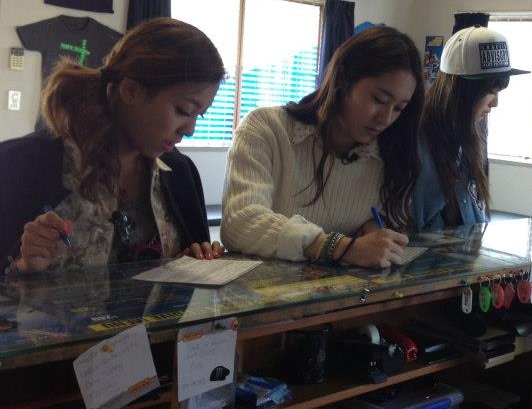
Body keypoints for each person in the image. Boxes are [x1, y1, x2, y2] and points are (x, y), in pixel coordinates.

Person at [0, 18, 226, 273]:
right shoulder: (22, 165)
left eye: (199, 115)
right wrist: (24, 267)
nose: (190, 130)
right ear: (130, 91)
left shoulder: (180, 174)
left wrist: (195, 260)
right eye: (184, 110)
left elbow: (194, 273)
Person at [221, 26, 424, 269]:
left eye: (399, 108)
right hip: (263, 289)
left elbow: (380, 228)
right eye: (378, 99)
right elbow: (240, 223)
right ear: (343, 80)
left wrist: (375, 232)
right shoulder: (267, 128)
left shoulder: (386, 154)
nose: (385, 119)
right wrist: (341, 247)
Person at [410, 26, 529, 229]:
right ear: (460, 89)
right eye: (490, 92)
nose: (495, 104)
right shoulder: (419, 146)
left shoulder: (467, 137)